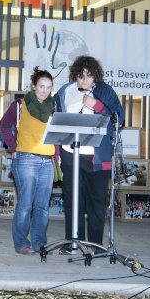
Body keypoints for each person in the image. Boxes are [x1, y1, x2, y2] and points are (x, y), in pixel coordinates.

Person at [54, 55, 124, 254]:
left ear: (96, 76)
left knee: (95, 202)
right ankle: (73, 243)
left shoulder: (105, 91)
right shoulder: (64, 91)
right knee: (72, 201)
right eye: (80, 75)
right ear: (75, 75)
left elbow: (119, 118)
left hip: (97, 158)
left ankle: (96, 245)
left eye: (89, 76)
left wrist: (97, 105)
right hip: (71, 154)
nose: (84, 80)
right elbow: (55, 118)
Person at [0, 66, 55, 255]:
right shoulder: (19, 105)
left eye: (48, 87)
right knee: (25, 205)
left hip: (47, 161)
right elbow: (4, 126)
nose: (45, 91)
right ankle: (22, 244)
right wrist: (13, 148)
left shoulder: (54, 108)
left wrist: (57, 158)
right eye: (41, 86)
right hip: (25, 159)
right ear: (33, 86)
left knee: (42, 207)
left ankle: (39, 244)